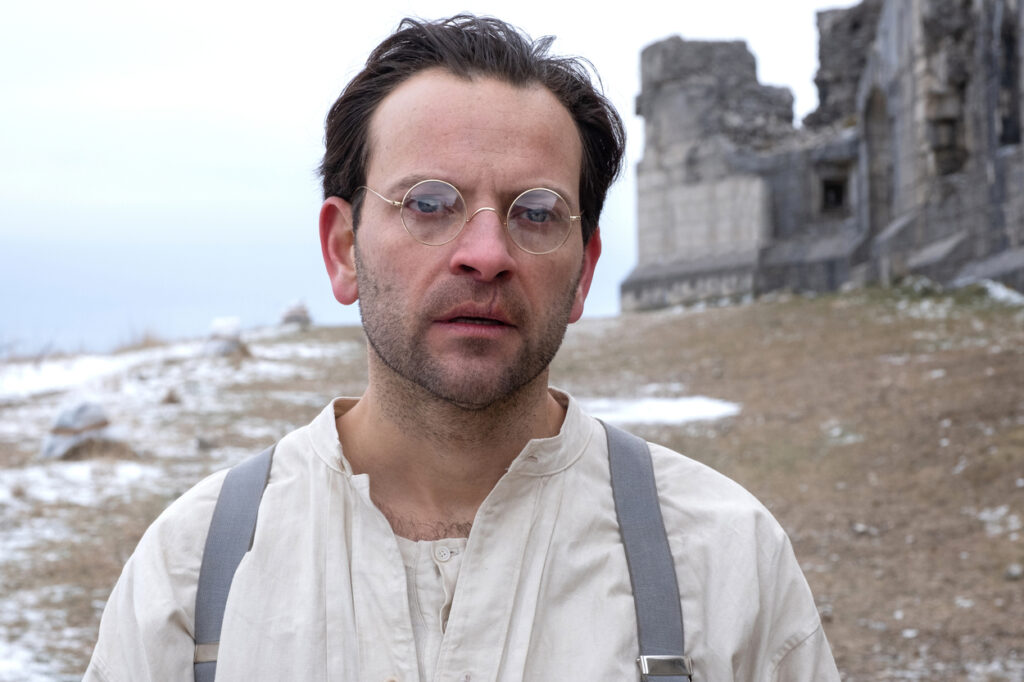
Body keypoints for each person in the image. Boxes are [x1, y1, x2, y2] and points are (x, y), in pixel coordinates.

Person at [86, 15, 840, 681]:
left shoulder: (724, 560)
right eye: (429, 203)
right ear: (343, 249)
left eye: (537, 212)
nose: (485, 252)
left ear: (584, 271)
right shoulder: (194, 572)